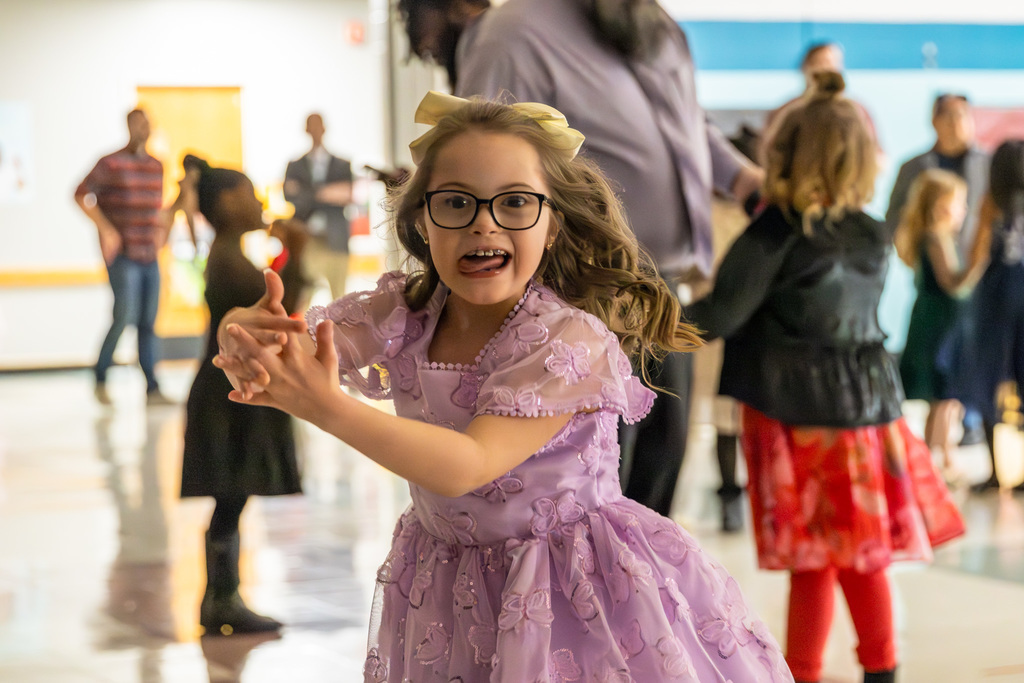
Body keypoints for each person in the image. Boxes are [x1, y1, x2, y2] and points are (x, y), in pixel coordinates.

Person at [214, 93, 792, 681]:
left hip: (572, 595)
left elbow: (470, 463)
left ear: (553, 221)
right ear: (422, 219)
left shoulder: (567, 340)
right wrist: (245, 337)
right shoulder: (402, 313)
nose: (483, 222)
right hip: (447, 585)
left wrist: (325, 406)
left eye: (515, 201)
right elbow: (296, 345)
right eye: (456, 202)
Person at [398, 0, 764, 518]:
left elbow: (687, 124)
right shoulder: (515, 31)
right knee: (592, 499)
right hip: (579, 296)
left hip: (663, 291)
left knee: (657, 483)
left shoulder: (655, 27)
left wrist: (744, 178)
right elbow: (477, 152)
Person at [685, 73, 966, 683]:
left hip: (797, 414)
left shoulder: (777, 232)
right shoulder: (869, 233)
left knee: (812, 564)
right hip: (867, 410)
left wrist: (636, 323)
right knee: (866, 561)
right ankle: (880, 672)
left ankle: (803, 675)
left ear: (782, 153)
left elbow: (721, 314)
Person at [179, 157, 306, 636]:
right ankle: (221, 599)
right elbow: (280, 317)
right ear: (229, 203)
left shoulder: (228, 255)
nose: (257, 203)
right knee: (230, 494)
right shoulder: (228, 259)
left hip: (224, 391)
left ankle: (222, 597)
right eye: (250, 194)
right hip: (225, 396)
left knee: (232, 497)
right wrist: (296, 257)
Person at [894, 169, 989, 481]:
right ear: (939, 206)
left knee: (948, 399)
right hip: (938, 330)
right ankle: (932, 462)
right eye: (957, 203)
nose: (963, 210)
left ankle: (943, 456)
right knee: (943, 395)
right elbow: (953, 283)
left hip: (944, 326)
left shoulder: (941, 237)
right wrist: (980, 257)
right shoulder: (935, 238)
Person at [74, 108, 172, 406]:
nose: (142, 129)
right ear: (129, 127)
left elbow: (158, 207)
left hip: (149, 254)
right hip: (124, 255)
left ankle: (152, 387)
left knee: (148, 321)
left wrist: (163, 230)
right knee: (124, 316)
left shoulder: (156, 166)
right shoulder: (110, 163)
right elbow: (80, 194)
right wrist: (106, 229)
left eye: (146, 124)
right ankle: (101, 375)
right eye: (136, 124)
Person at [950, 140, 1024, 493]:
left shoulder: (992, 205)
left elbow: (977, 253)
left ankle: (996, 471)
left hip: (996, 301)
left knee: (990, 379)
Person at [886, 94, 989, 257]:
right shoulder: (913, 168)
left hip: (980, 263)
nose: (956, 123)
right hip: (928, 261)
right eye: (949, 115)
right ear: (934, 121)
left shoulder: (988, 165)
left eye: (962, 115)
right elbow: (895, 218)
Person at [759, 42, 880, 164]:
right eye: (818, 63)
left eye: (830, 63)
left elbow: (878, 157)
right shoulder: (786, 112)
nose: (824, 69)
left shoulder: (856, 111)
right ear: (804, 67)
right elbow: (768, 155)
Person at [284, 113, 354, 303]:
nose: (315, 130)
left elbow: (347, 194)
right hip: (306, 239)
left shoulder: (342, 165)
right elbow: (289, 195)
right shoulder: (295, 165)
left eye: (318, 125)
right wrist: (326, 193)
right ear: (306, 130)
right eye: (310, 126)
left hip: (336, 238)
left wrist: (306, 191)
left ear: (324, 128)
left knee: (340, 298)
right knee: (303, 298)